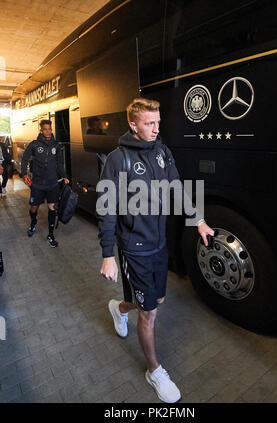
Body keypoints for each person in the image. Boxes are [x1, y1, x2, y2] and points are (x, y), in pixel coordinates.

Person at [97, 98, 214, 403]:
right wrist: (108, 254)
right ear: (133, 124)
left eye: (158, 122)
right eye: (149, 123)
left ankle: (119, 308)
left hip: (159, 245)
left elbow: (176, 187)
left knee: (155, 300)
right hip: (133, 248)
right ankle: (154, 370)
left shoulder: (162, 152)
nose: (156, 128)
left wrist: (198, 220)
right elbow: (107, 208)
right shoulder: (117, 159)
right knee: (149, 312)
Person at [21, 120, 69, 247]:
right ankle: (33, 222)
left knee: (52, 208)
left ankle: (51, 234)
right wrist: (24, 174)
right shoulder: (35, 144)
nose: (48, 131)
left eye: (50, 129)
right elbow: (25, 158)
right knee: (33, 208)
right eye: (45, 129)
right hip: (37, 183)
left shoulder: (56, 145)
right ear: (41, 130)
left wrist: (64, 176)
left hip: (52, 183)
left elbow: (59, 163)